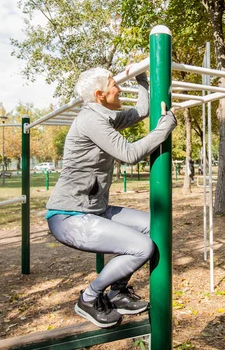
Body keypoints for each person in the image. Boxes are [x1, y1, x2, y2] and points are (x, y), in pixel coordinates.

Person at [45, 65, 177, 328]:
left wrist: (142, 77)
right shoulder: (90, 121)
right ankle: (89, 298)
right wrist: (164, 129)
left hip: (93, 210)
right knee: (142, 247)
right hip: (69, 216)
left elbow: (142, 111)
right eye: (114, 85)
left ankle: (117, 291)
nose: (119, 89)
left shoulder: (104, 116)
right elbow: (128, 154)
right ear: (99, 94)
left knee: (156, 226)